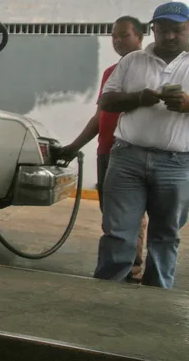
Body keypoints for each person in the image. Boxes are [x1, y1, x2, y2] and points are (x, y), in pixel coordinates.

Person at [95, 1, 189, 289]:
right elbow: (106, 101)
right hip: (127, 159)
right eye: (163, 30)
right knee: (118, 233)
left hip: (177, 164)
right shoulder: (132, 61)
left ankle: (156, 299)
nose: (169, 36)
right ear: (153, 30)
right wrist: (138, 98)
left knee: (165, 236)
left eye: (177, 30)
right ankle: (106, 294)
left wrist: (187, 104)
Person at [60, 16, 145, 281]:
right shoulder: (111, 72)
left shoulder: (148, 71)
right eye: (114, 36)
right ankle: (117, 269)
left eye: (124, 35)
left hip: (131, 152)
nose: (117, 41)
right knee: (111, 216)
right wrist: (73, 147)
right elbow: (100, 117)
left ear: (140, 37)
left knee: (131, 215)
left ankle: (133, 268)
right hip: (106, 151)